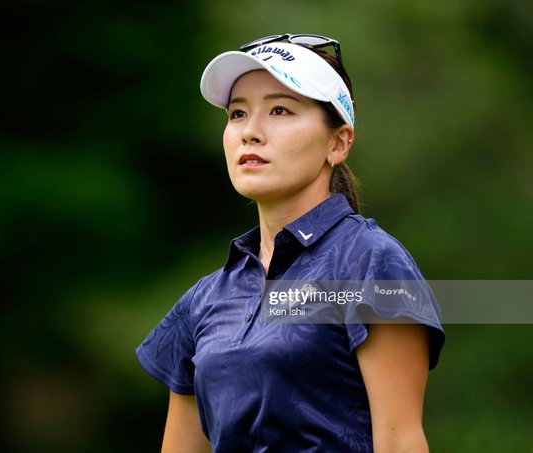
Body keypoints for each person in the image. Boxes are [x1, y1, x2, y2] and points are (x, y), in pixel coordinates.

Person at [136, 33, 445, 453]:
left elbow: (401, 441)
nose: (250, 132)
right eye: (238, 113)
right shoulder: (204, 299)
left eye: (280, 110)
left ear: (338, 142)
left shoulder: (372, 263)